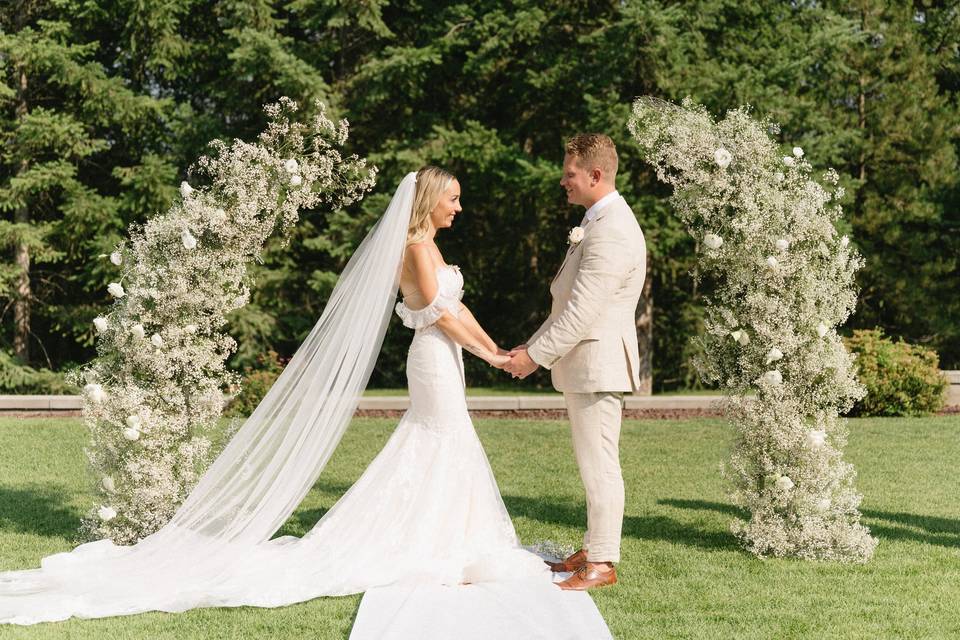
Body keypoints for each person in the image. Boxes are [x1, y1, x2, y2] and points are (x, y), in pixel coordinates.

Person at [0, 166, 611, 639]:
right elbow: (440, 315)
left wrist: (499, 351)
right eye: (452, 197)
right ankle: (430, 537)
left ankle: (441, 532)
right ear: (430, 200)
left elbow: (460, 312)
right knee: (442, 438)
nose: (459, 205)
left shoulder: (432, 250)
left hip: (445, 358)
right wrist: (488, 355)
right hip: (432, 360)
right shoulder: (417, 250)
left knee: (444, 442)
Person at [504, 134, 647, 591]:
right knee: (592, 463)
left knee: (600, 464)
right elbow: (567, 307)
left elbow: (583, 311)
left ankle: (603, 563)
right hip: (586, 363)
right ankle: (593, 547)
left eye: (569, 174)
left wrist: (534, 358)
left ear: (595, 175)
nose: (563, 181)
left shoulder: (613, 229)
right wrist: (530, 347)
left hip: (598, 362)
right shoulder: (597, 222)